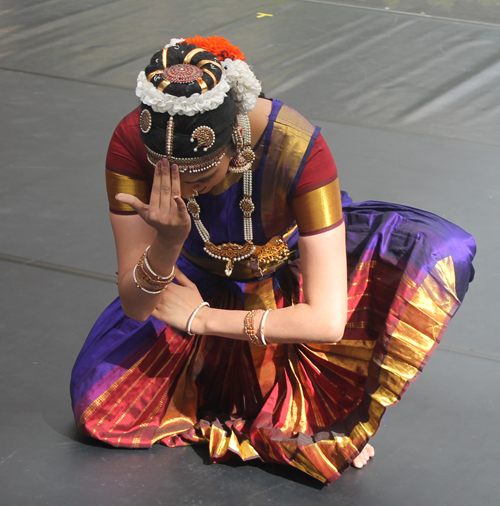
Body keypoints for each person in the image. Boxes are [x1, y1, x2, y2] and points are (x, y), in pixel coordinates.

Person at [70, 36, 476, 484]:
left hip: (283, 284)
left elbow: (325, 321)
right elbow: (137, 304)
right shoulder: (129, 143)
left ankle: (302, 401)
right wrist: (167, 241)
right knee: (102, 409)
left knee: (440, 251)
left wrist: (203, 320)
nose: (182, 194)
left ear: (235, 147)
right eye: (166, 179)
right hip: (189, 275)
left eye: (200, 178)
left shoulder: (298, 145)